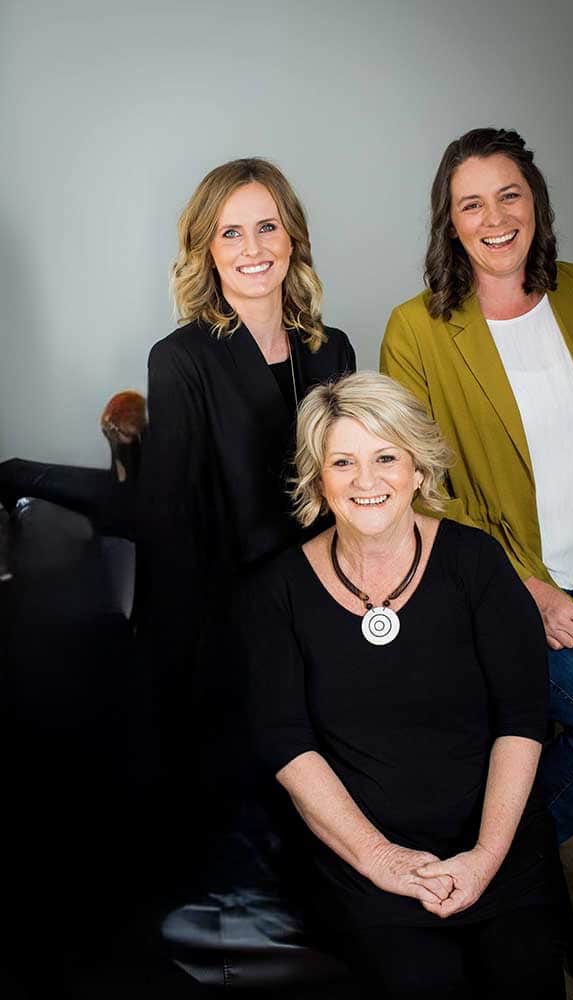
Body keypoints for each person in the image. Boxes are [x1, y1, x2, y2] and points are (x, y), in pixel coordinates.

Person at [380, 127, 573, 994]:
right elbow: (426, 491)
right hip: (507, 592)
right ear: (449, 221)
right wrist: (530, 589)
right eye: (470, 203)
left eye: (508, 194)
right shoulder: (417, 330)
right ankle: (502, 859)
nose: (493, 217)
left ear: (534, 202)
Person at [237, 372, 566, 998]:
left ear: (418, 469)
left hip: (496, 848)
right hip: (361, 859)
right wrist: (380, 858)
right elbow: (285, 742)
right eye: (343, 462)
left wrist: (486, 856)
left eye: (386, 457)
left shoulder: (477, 562)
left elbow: (522, 718)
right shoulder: (276, 591)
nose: (366, 481)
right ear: (318, 480)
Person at [133, 158, 355, 864]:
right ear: (206, 248)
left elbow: (352, 494)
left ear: (293, 238)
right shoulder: (180, 359)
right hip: (232, 619)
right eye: (231, 233)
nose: (252, 249)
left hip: (331, 606)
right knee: (250, 830)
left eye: (267, 227)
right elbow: (172, 528)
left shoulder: (332, 349)